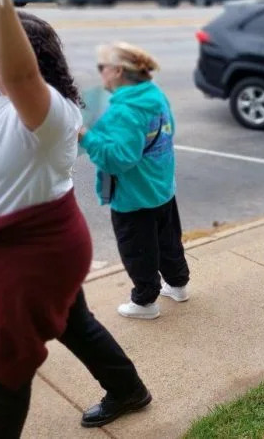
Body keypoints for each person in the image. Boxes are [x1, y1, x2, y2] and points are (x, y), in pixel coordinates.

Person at [0, 0, 150, 436]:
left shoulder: (47, 112)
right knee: (75, 323)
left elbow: (19, 71)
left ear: (20, 56)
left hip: (31, 256)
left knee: (5, 367)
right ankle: (128, 389)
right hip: (34, 245)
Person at [79, 42, 190, 320]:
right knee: (168, 242)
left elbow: (118, 159)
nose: (100, 73)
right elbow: (169, 131)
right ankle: (178, 285)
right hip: (162, 187)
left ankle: (145, 302)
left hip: (133, 196)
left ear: (117, 71)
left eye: (102, 67)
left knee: (138, 251)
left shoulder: (124, 110)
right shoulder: (155, 95)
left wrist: (86, 137)